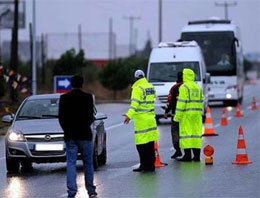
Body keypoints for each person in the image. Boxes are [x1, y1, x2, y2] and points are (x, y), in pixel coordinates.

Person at [58, 75, 97, 198]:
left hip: (70, 136)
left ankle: (71, 191)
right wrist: (85, 126)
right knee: (88, 163)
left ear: (71, 84)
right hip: (85, 134)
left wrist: (67, 130)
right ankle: (91, 191)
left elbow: (61, 118)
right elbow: (91, 116)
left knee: (71, 163)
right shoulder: (88, 97)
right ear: (82, 84)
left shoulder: (64, 98)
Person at [124, 69, 159, 172]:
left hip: (141, 121)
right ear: (144, 76)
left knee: (141, 145)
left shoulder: (137, 88)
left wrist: (128, 115)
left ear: (135, 78)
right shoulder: (151, 87)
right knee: (150, 144)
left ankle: (144, 166)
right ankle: (151, 166)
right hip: (151, 119)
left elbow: (134, 104)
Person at [173, 68, 204, 162]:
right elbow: (201, 100)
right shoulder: (197, 87)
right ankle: (197, 156)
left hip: (186, 115)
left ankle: (187, 156)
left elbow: (181, 103)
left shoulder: (184, 87)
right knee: (196, 135)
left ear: (184, 76)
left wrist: (177, 117)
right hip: (197, 115)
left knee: (186, 135)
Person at [164, 71, 183, 159]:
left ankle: (178, 150)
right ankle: (188, 151)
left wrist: (166, 111)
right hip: (186, 114)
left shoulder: (174, 88)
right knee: (185, 132)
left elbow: (170, 101)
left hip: (175, 113)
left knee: (175, 132)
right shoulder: (187, 87)